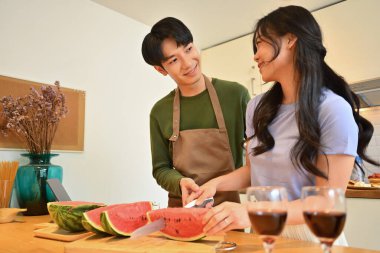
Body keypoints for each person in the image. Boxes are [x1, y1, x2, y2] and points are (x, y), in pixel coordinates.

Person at [183, 5, 379, 244]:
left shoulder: (332, 109)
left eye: (261, 43)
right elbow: (254, 169)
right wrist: (214, 185)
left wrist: (251, 212)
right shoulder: (257, 107)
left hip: (313, 237)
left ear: (291, 39)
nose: (255, 55)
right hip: (262, 233)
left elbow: (325, 203)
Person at [141, 17, 250, 207]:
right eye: (174, 60)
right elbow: (161, 169)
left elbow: (259, 160)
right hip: (182, 209)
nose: (187, 63)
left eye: (189, 49)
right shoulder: (160, 112)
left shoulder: (236, 95)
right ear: (161, 69)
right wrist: (179, 182)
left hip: (227, 211)